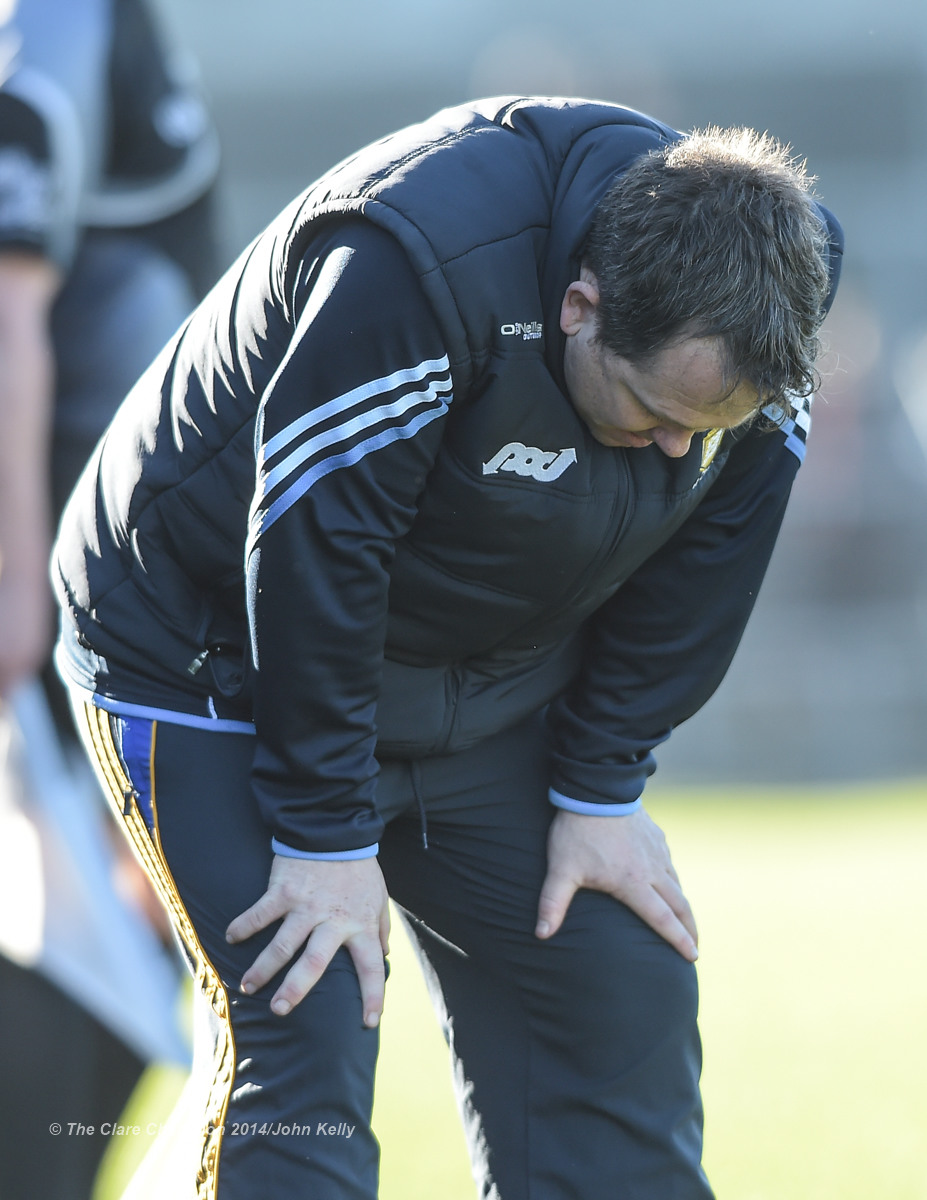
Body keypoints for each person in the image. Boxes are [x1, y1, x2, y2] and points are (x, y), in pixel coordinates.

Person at [52, 96, 843, 1199]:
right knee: (304, 1018)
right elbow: (316, 556)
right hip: (207, 650)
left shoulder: (775, 286)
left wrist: (601, 788)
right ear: (580, 305)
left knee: (612, 977)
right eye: (656, 410)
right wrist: (323, 839)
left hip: (475, 674)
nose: (676, 451)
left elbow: (712, 557)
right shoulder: (413, 260)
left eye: (704, 430)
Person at [0, 1, 221, 1195]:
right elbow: (7, 308)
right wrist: (12, 597)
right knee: (81, 951)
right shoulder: (54, 21)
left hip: (117, 594)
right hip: (80, 603)